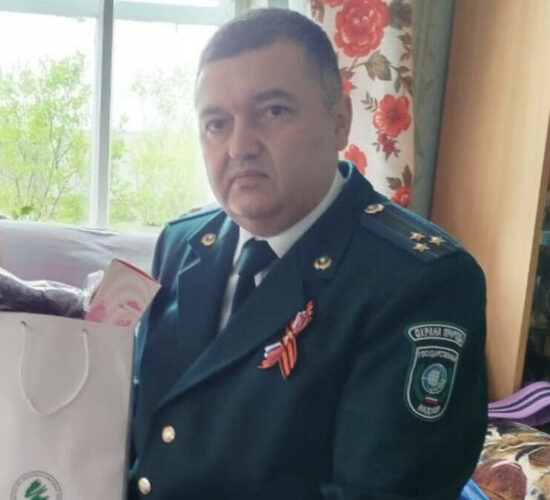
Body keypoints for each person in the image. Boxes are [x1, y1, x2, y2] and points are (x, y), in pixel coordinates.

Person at [129, 8, 487, 499]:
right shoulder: (182, 243)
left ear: (340, 121)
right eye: (216, 123)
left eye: (273, 111)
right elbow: (146, 435)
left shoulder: (419, 282)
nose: (239, 146)